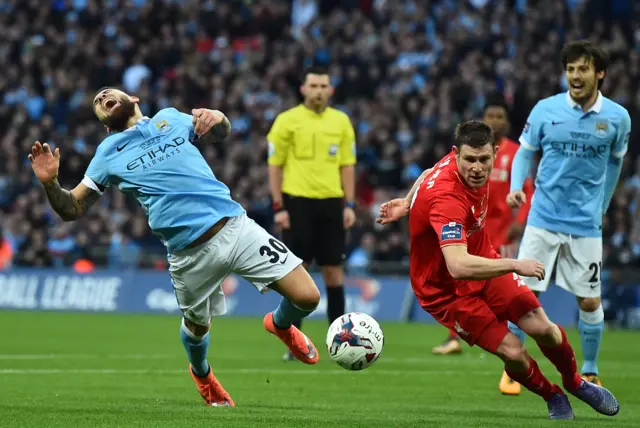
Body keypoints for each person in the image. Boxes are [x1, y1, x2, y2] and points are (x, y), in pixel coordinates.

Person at [28, 87, 323, 407]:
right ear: (103, 122)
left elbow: (220, 133)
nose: (102, 98)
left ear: (135, 99)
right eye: (98, 101)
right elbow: (72, 209)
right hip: (189, 254)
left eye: (109, 94)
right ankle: (202, 374)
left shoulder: (170, 118)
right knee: (197, 329)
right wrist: (50, 184)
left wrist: (218, 117)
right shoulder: (107, 153)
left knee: (308, 297)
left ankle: (279, 324)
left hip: (236, 228)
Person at [376, 120, 619, 420]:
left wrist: (407, 202)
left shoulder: (457, 163)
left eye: (483, 160)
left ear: (495, 153)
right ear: (456, 154)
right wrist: (515, 264)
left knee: (545, 329)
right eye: (469, 160)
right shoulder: (448, 199)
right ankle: (552, 394)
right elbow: (458, 265)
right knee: (514, 352)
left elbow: (427, 171)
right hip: (445, 290)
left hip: (483, 260)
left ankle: (575, 382)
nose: (476, 168)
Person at [508, 41, 632, 387]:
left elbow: (615, 161)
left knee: (590, 300)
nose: (575, 76)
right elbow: (524, 153)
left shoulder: (617, 118)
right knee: (524, 296)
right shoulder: (545, 110)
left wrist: (603, 205)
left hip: (585, 225)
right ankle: (515, 366)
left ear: (600, 73)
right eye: (571, 69)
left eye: (583, 69)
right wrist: (516, 186)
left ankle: (590, 368)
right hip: (542, 218)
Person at [432, 97, 534, 382]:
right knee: (461, 284)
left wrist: (520, 222)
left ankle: (512, 343)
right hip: (475, 231)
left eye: (499, 115)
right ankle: (454, 336)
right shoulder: (470, 154)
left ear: (507, 121)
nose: (495, 120)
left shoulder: (515, 153)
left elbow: (528, 189)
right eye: (490, 115)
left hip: (503, 232)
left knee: (502, 288)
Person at [267, 66, 357, 361]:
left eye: (324, 86)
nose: (319, 91)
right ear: (303, 89)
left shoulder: (341, 121)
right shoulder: (286, 121)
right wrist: (279, 207)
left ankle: (340, 342)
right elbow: (274, 165)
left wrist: (350, 205)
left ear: (331, 90)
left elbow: (347, 165)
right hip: (297, 203)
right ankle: (296, 343)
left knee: (334, 271)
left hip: (332, 203)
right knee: (297, 274)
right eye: (314, 85)